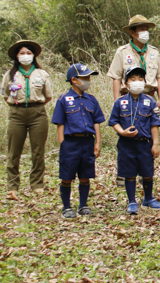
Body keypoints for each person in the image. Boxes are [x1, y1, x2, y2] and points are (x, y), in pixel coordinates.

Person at [107, 15, 160, 186]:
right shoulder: (123, 52)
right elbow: (116, 77)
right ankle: (124, 173)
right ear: (132, 32)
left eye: (146, 29)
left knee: (147, 133)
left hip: (149, 97)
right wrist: (116, 101)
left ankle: (145, 171)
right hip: (127, 97)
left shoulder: (154, 52)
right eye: (141, 29)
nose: (145, 32)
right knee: (126, 134)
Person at [51, 64, 105, 218]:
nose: (88, 80)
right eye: (85, 78)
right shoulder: (63, 100)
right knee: (67, 176)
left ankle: (83, 205)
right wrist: (63, 144)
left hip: (87, 142)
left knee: (85, 175)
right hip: (70, 143)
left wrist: (98, 142)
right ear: (74, 80)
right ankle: (67, 207)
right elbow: (60, 124)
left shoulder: (91, 100)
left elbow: (97, 122)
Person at [109, 66, 160, 214]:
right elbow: (114, 121)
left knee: (147, 172)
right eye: (133, 79)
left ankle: (148, 199)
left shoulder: (150, 101)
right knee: (129, 173)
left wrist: (156, 143)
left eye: (140, 79)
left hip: (145, 143)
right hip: (126, 144)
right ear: (126, 83)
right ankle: (132, 201)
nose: (137, 82)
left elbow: (154, 123)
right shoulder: (120, 102)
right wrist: (122, 132)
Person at [2, 40, 53, 198]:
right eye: (22, 53)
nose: (25, 56)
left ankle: (37, 184)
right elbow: (5, 96)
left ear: (34, 56)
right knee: (13, 151)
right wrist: (18, 106)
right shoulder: (10, 75)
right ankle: (12, 186)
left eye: (28, 53)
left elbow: (48, 96)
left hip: (37, 113)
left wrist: (34, 105)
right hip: (16, 114)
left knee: (38, 151)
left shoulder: (41, 74)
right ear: (16, 56)